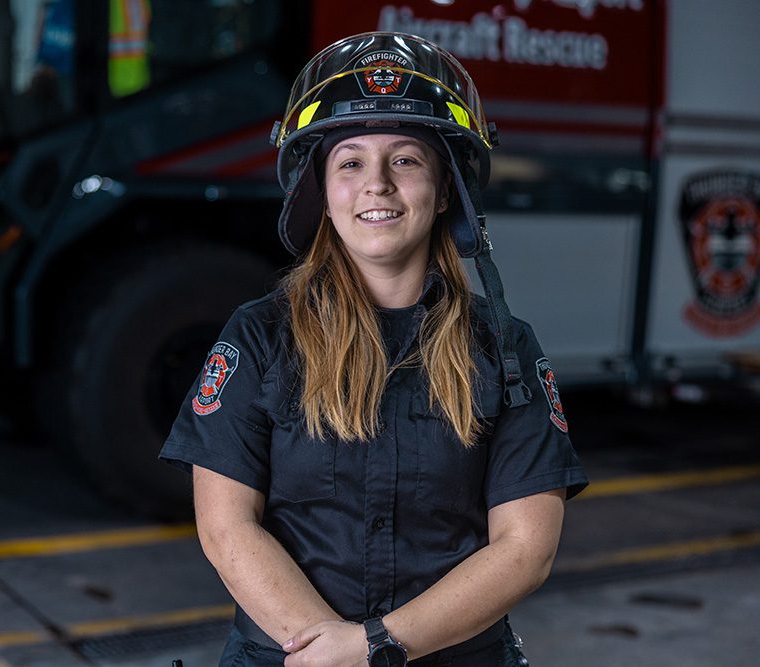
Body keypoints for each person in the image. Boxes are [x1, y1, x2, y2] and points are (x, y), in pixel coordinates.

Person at [160, 31, 588, 666]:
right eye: (351, 161)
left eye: (407, 160)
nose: (377, 185)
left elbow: (526, 549)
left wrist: (374, 647)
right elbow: (227, 529)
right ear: (322, 194)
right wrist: (325, 652)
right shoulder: (257, 336)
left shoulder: (506, 346)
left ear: (445, 193)